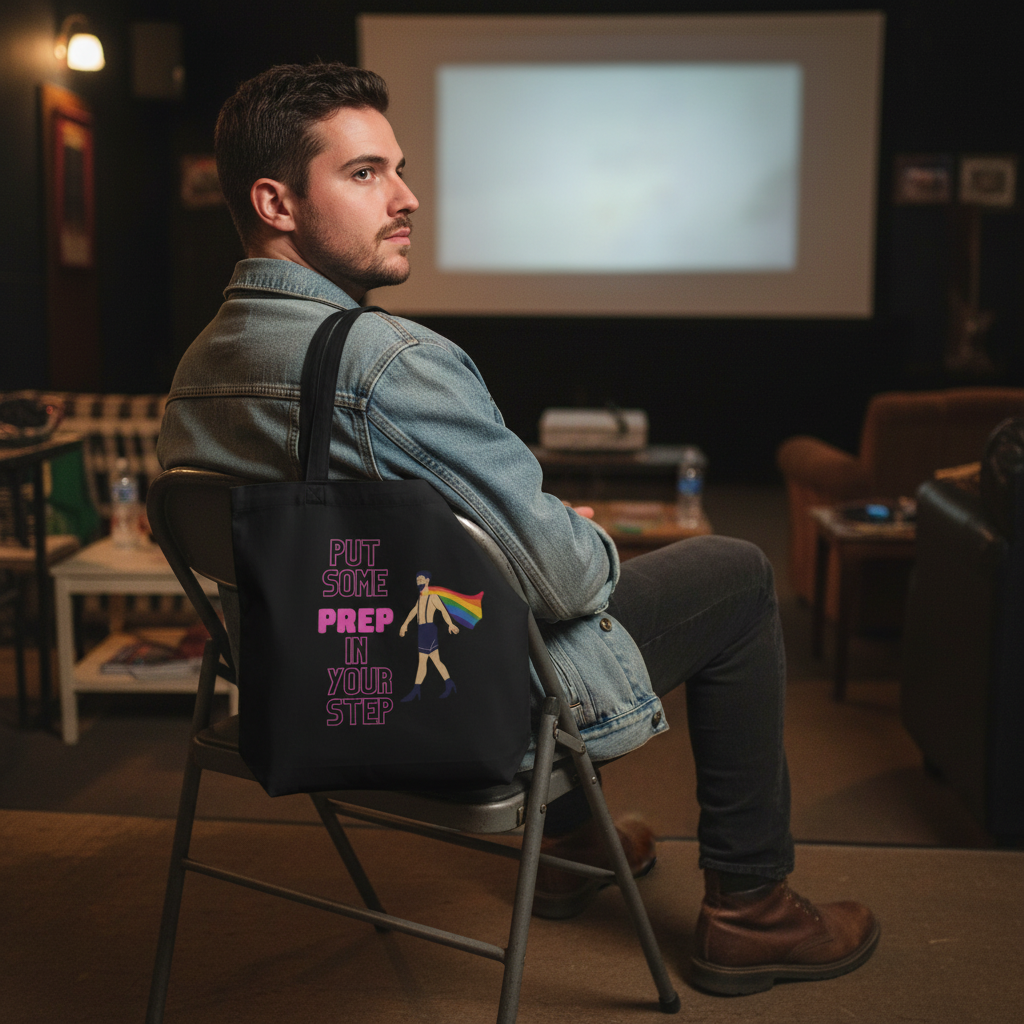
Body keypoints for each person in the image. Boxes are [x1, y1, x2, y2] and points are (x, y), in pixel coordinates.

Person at [157, 61, 879, 996]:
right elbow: (571, 584)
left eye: (401, 169)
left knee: (501, 569)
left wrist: (498, 541)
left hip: (308, 694)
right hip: (433, 700)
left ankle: (576, 846)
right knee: (734, 572)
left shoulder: (196, 370)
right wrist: (566, 535)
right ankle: (752, 911)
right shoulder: (395, 362)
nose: (408, 197)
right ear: (276, 201)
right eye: (366, 173)